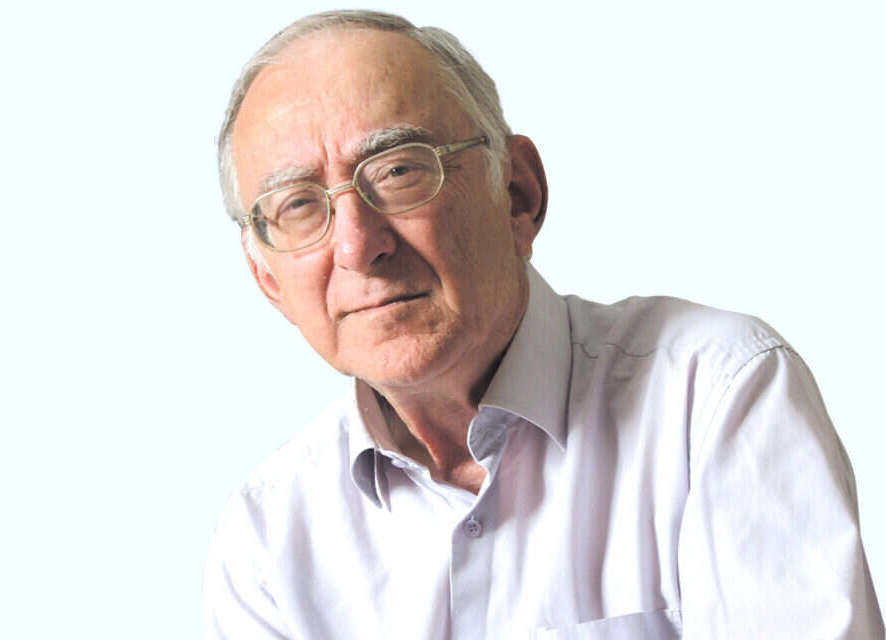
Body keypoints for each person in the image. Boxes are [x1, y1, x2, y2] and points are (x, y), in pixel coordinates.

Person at [203, 10, 883, 639]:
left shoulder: (714, 399)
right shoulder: (266, 543)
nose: (358, 245)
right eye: (298, 206)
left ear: (517, 194)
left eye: (400, 170)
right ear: (269, 281)